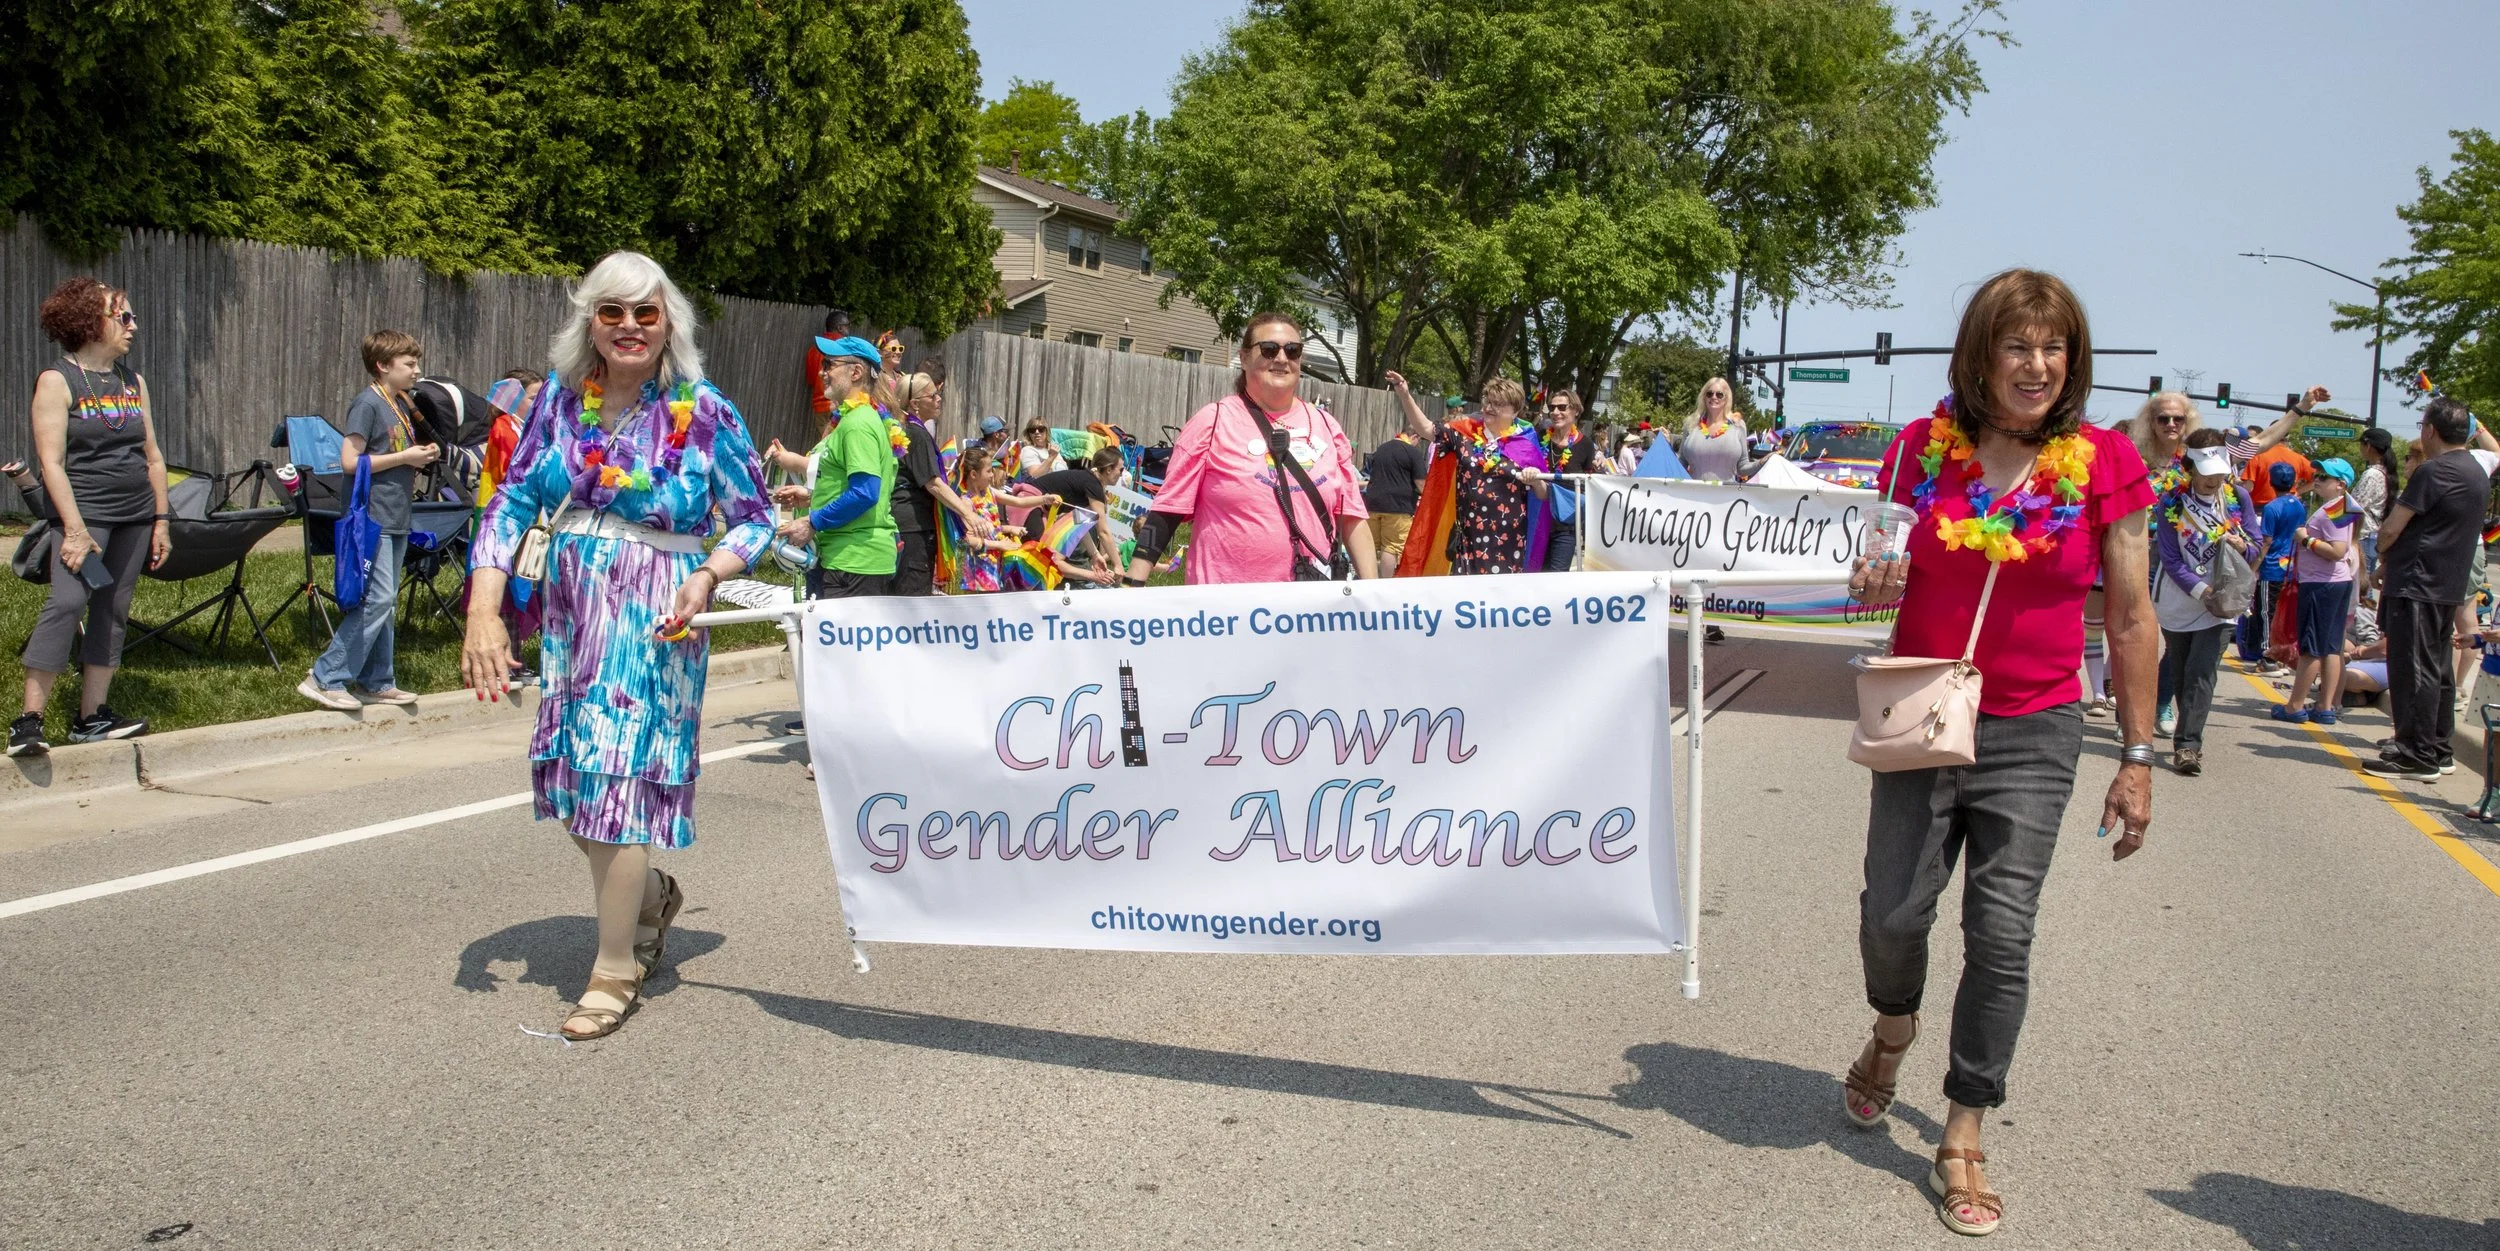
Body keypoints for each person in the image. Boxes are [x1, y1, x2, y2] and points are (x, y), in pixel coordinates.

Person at [1840, 269, 2156, 1239]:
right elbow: (1862, 580)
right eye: (2016, 345)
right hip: (1924, 710)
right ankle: (1892, 1030)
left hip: (2036, 723)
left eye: (2053, 347)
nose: (2036, 364)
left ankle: (1964, 1126)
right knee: (1892, 914)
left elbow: (2133, 614)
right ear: (1980, 355)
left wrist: (2137, 753)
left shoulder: (2103, 463)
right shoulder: (1915, 454)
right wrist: (1868, 573)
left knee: (2002, 930)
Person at [463, 250, 773, 1040]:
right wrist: (484, 609)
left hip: (654, 619)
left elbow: (755, 516)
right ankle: (649, 893)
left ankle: (614, 967)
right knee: (574, 782)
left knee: (616, 783)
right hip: (571, 620)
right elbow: (508, 506)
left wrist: (707, 575)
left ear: (669, 322)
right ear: (589, 322)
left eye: (646, 312)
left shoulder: (704, 411)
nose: (630, 327)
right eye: (613, 312)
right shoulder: (561, 408)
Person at [10, 278, 172, 757]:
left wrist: (161, 520)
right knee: (66, 602)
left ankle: (91, 718)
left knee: (113, 609)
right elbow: (51, 463)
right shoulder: (57, 381)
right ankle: (28, 721)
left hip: (135, 517)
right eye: (122, 316)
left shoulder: (132, 381)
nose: (132, 326)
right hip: (86, 519)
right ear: (89, 322)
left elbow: (154, 457)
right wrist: (75, 531)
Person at [1124, 312, 1377, 586]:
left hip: (1311, 611)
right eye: (1269, 349)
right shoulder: (1213, 421)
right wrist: (1131, 584)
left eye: (1292, 350)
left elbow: (1352, 516)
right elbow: (1167, 511)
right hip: (1229, 612)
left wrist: (1374, 597)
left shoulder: (1327, 427)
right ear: (1244, 358)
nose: (1281, 358)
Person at [299, 331, 442, 712]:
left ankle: (377, 681)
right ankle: (325, 677)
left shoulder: (398, 404)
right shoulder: (367, 404)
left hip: (395, 515)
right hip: (372, 516)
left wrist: (421, 455)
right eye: (409, 364)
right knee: (376, 599)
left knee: (386, 602)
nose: (416, 370)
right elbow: (349, 461)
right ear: (383, 365)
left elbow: (394, 452)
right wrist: (405, 458)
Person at [2368, 396, 2491, 781]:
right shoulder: (2477, 469)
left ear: (2430, 430)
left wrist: (2382, 558)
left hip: (2417, 581)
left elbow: (2392, 527)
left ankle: (2415, 752)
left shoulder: (2433, 471)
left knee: (2412, 668)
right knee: (2437, 669)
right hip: (2447, 583)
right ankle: (2437, 747)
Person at [2153, 433, 2258, 776]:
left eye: (2220, 473)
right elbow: (2170, 559)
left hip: (2223, 604)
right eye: (2207, 473)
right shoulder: (2171, 502)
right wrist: (2201, 591)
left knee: (2202, 672)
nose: (2214, 480)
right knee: (2182, 671)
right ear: (2190, 469)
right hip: (2182, 600)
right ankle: (2183, 726)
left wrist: (2242, 546)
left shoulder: (2237, 498)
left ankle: (2188, 746)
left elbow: (2257, 545)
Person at [773, 336, 898, 599]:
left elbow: (865, 492)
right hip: (846, 559)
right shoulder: (853, 419)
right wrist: (811, 497)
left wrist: (813, 522)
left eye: (829, 364)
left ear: (855, 372)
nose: (822, 371)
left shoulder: (858, 424)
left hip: (854, 563)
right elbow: (851, 485)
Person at [1393, 375, 1552, 575]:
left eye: (1499, 404)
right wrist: (1405, 395)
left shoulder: (1526, 444)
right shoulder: (1464, 433)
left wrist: (1536, 480)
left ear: (1515, 411)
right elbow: (1426, 429)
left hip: (1508, 541)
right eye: (1488, 401)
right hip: (1468, 538)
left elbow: (1544, 494)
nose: (1490, 408)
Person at [886, 371, 995, 595]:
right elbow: (932, 483)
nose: (939, 399)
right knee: (912, 596)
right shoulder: (914, 432)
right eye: (933, 396)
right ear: (915, 404)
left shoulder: (905, 429)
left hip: (907, 522)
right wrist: (968, 513)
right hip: (914, 526)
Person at [2277, 459, 2359, 724]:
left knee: (2311, 647)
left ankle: (2295, 705)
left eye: (2324, 476)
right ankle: (2325, 706)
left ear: (2341, 484)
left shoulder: (2334, 509)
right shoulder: (2343, 506)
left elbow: (2337, 551)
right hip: (2336, 582)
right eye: (2318, 474)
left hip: (2322, 583)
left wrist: (2305, 538)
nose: (2318, 479)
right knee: (2331, 647)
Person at [2238, 461, 2306, 673]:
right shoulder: (2299, 506)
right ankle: (2282, 656)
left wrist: (2253, 566)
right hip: (2291, 566)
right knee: (2283, 614)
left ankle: (2268, 657)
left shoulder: (2271, 508)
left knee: (2266, 612)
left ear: (2271, 481)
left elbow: (2266, 541)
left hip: (2271, 567)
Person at [1026, 448, 1127, 574]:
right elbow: (1103, 532)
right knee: (1036, 558)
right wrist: (1118, 565)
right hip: (1029, 502)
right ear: (1108, 469)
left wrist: (1095, 555)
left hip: (1037, 506)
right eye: (1121, 469)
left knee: (1044, 558)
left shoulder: (1090, 482)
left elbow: (1080, 523)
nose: (1122, 474)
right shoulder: (1093, 485)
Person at [1537, 388, 1598, 572]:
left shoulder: (1585, 444)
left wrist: (1601, 465)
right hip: (1538, 521)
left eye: (1562, 407)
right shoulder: (1539, 438)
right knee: (1534, 576)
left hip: (1566, 527)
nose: (1555, 413)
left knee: (1557, 578)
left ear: (1575, 411)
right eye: (1552, 407)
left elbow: (1590, 485)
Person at [1360, 422, 1430, 577]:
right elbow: (1421, 484)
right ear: (1414, 436)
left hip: (1373, 503)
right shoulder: (1412, 452)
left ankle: (1369, 579)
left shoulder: (1381, 448)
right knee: (1391, 547)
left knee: (1372, 545)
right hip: (1398, 506)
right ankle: (1386, 583)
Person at [1676, 378, 1749, 483]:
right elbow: (1681, 463)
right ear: (1704, 397)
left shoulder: (1738, 426)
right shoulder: (1691, 424)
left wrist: (1764, 461)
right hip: (1693, 494)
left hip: (1726, 496)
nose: (1714, 397)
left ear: (1727, 398)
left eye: (1719, 394)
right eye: (1709, 394)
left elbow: (1743, 467)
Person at [2352, 427, 2397, 582]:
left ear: (2368, 446)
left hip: (2364, 535)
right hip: (2374, 535)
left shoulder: (2372, 475)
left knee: (2361, 585)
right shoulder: (2386, 472)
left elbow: (2354, 506)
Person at [802, 310, 848, 421]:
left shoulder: (813, 350)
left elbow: (811, 380)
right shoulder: (845, 348)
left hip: (820, 407)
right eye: (847, 326)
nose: (848, 329)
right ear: (840, 328)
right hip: (840, 404)